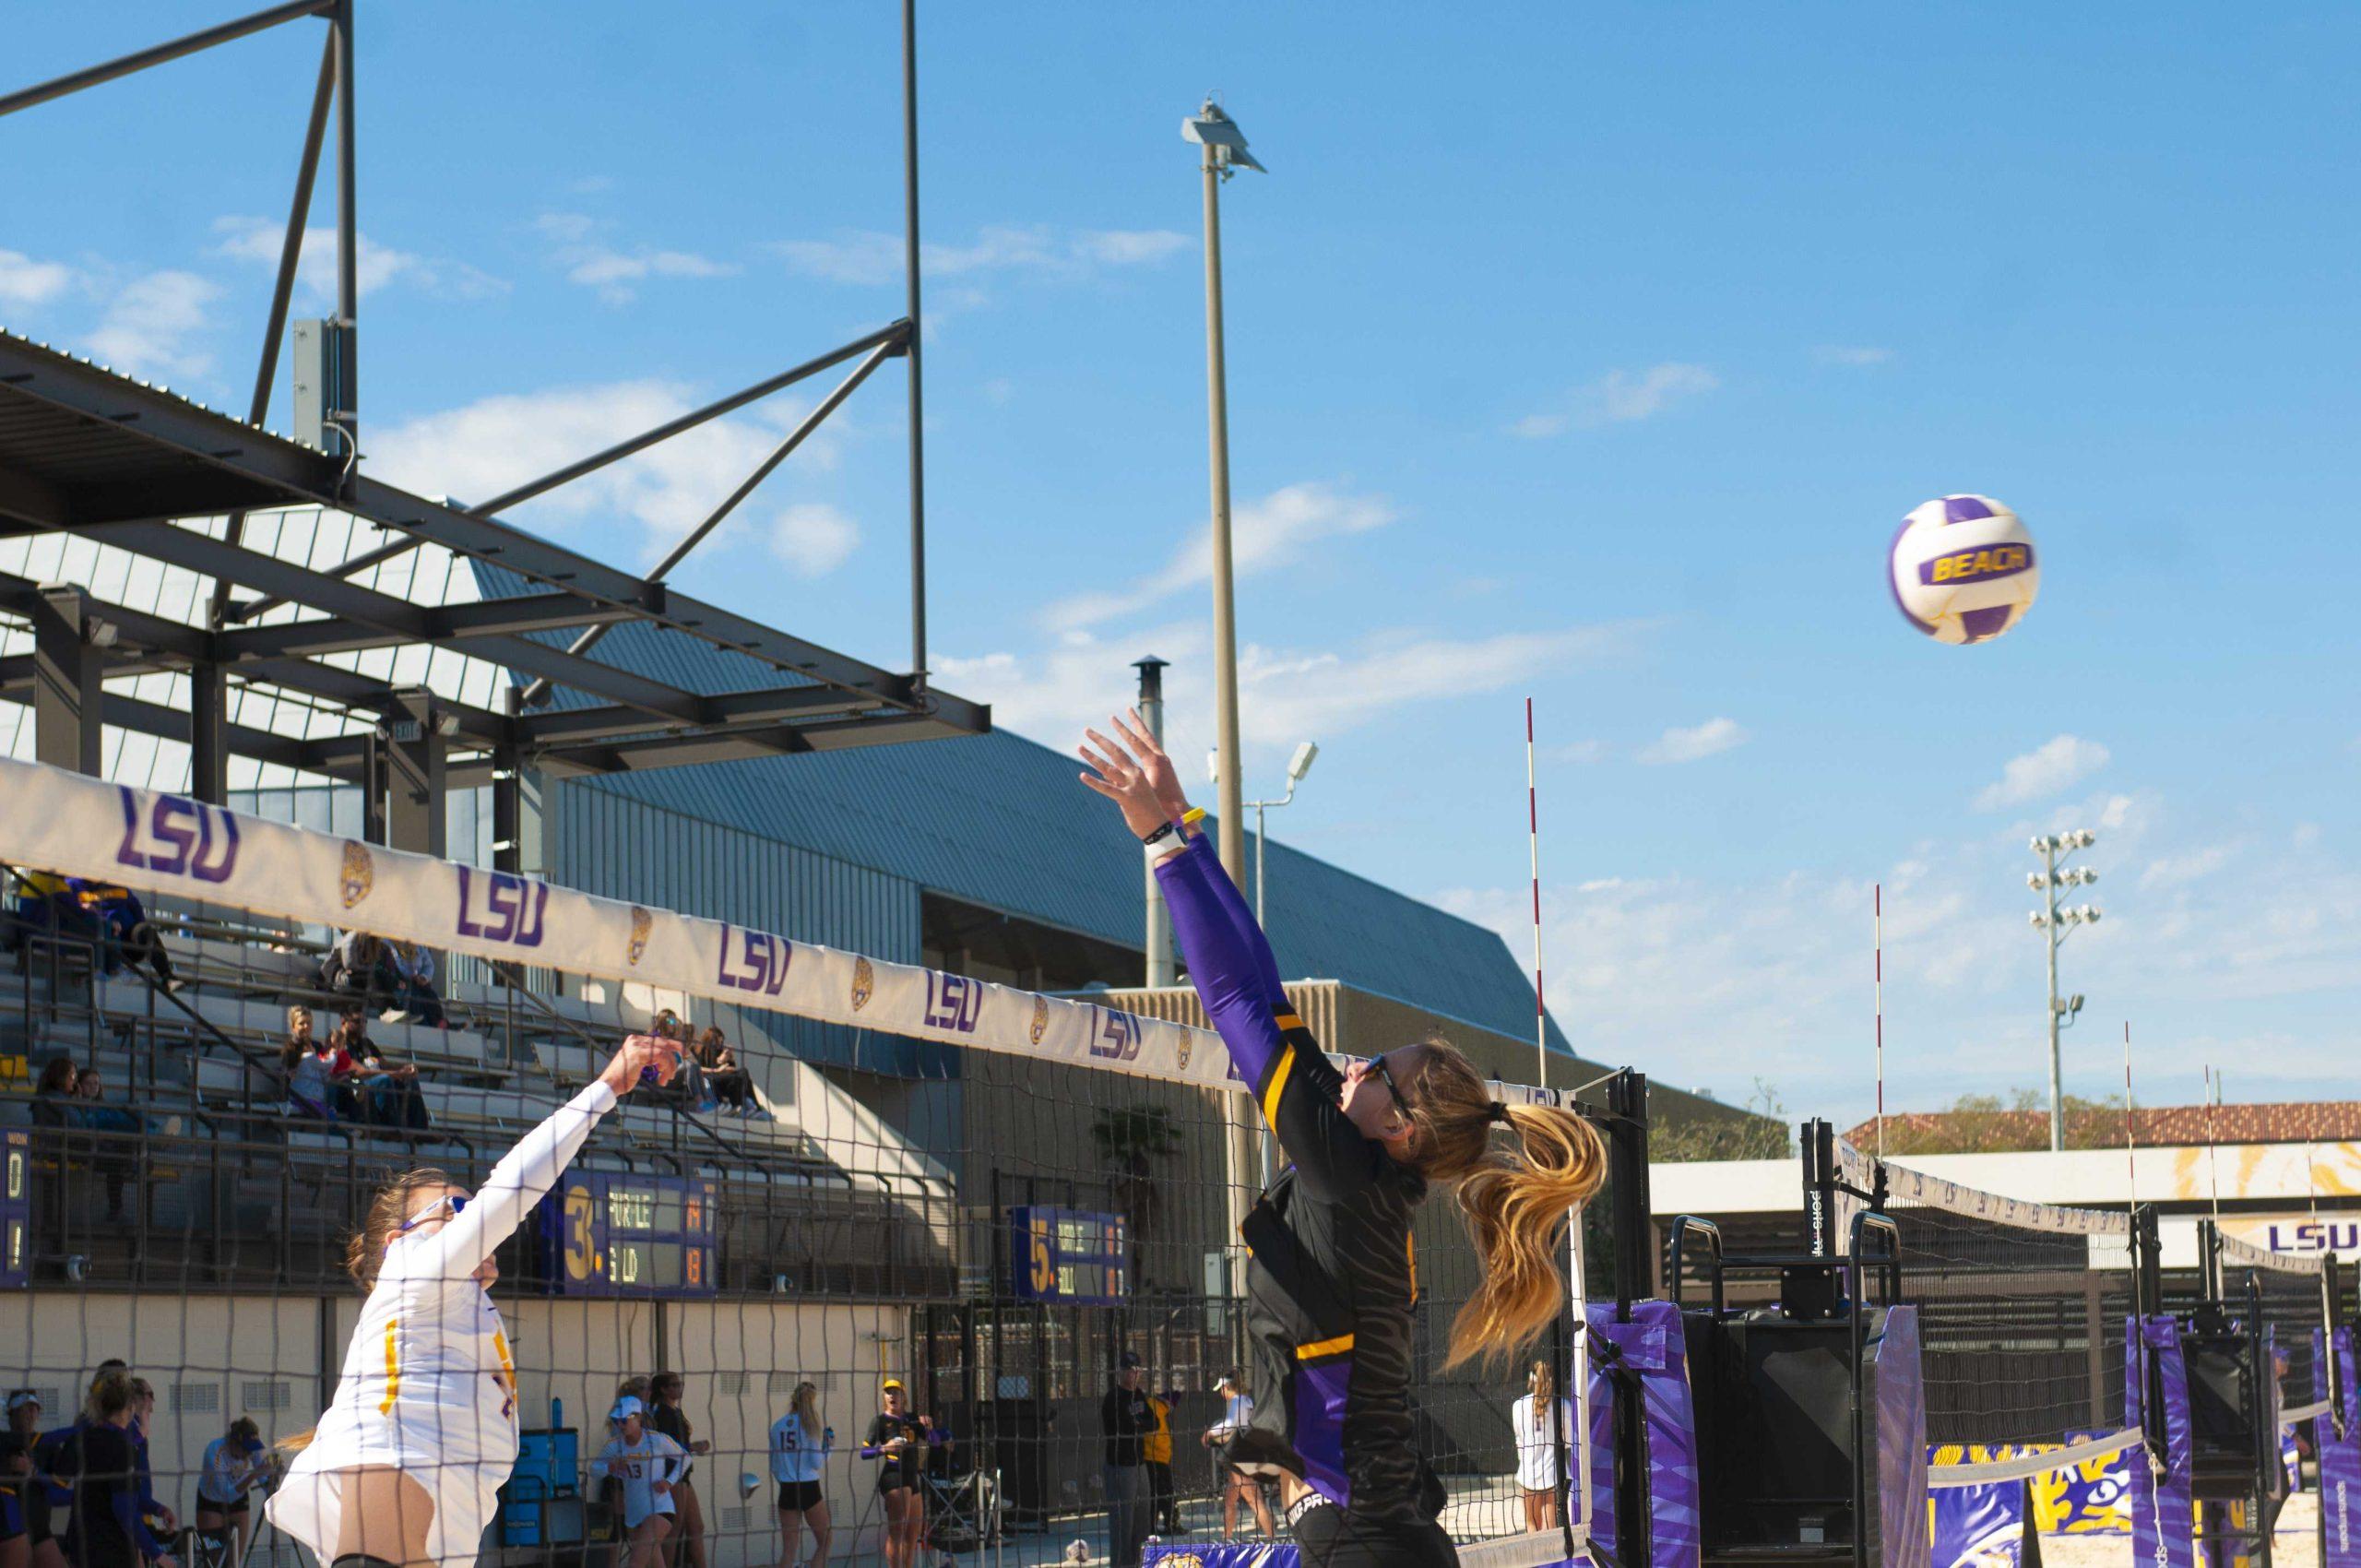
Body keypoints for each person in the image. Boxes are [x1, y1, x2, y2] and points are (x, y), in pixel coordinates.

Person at [1080, 711, 1607, 1568]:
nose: (1354, 1066)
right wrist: (1185, 825)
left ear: (1401, 1127)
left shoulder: (1344, 1175)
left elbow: (1230, 1003)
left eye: (1377, 1071)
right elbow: (1263, 984)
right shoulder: (1360, 1161)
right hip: (1384, 1533)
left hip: (1362, 1539)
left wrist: (1159, 848)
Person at [266, 1031, 682, 1568]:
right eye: (452, 1211)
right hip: (389, 1468)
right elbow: (510, 1191)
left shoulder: (467, 1313)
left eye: (470, 1209)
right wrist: (606, 1088)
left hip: (444, 1523)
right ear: (400, 1240)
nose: (471, 1222)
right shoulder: (407, 1270)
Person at [59, 1372, 174, 1568]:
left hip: (90, 1542)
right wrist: (158, 1554)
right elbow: (124, 1509)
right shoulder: (121, 1444)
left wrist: (159, 1509)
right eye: (149, 1395)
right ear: (130, 1406)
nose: (151, 1403)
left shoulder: (95, 1438)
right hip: (107, 1545)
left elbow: (132, 1496)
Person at [598, 1397, 684, 1568]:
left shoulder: (656, 1439)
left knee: (636, 1561)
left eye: (624, 1420)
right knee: (655, 1561)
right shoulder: (617, 1444)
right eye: (617, 1420)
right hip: (635, 1512)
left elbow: (684, 1458)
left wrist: (669, 1481)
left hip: (660, 1509)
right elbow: (595, 1470)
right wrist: (611, 1468)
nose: (620, 1425)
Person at [861, 1383, 931, 1568]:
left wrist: (929, 1427)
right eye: (888, 1393)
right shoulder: (880, 1421)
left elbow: (934, 1441)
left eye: (896, 1392)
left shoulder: (912, 1418)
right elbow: (864, 1453)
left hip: (912, 1477)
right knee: (897, 1532)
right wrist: (885, 1448)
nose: (892, 1396)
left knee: (912, 1534)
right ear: (883, 1397)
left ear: (903, 1396)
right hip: (893, 1476)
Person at [646, 1376, 709, 1568]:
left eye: (680, 1384)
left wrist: (693, 1445)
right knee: (674, 1528)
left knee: (696, 1527)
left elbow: (679, 1445)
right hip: (673, 1475)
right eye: (674, 1385)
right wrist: (690, 1447)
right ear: (663, 1389)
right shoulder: (662, 1414)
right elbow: (668, 1447)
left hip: (684, 1474)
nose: (679, 1388)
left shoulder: (676, 1411)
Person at [768, 1383, 832, 1568]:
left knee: (789, 1550)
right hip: (808, 1487)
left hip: (787, 1488)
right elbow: (816, 1463)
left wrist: (786, 1479)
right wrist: (829, 1446)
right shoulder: (809, 1425)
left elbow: (774, 1465)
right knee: (825, 1540)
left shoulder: (777, 1426)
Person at [1203, 1372, 1272, 1542]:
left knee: (1254, 1499)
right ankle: (1227, 1538)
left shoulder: (1237, 1401)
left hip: (1241, 1454)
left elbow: (1232, 1424)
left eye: (1221, 1389)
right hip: (1243, 1452)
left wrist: (1210, 1432)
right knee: (1230, 1499)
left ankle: (1273, 1539)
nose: (1221, 1393)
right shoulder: (1246, 1400)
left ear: (1227, 1387)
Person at [1099, 1354, 1152, 1568]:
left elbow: (1152, 1422)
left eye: (1137, 1369)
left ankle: (1140, 1564)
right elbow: (1122, 1428)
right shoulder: (1113, 1398)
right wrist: (1139, 1424)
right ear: (1120, 1371)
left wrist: (1137, 1423)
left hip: (1140, 1465)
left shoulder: (1139, 1394)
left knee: (1142, 1524)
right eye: (1130, 1369)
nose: (1134, 1373)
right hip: (1120, 1467)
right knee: (1123, 1525)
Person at [193, 1419, 266, 1568]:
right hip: (212, 1501)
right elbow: (227, 1494)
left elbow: (263, 1476)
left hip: (239, 1498)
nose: (249, 1454)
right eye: (246, 1450)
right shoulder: (215, 1451)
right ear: (235, 1443)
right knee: (214, 1563)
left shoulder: (253, 1448)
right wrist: (254, 1474)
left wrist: (272, 1480)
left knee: (234, 1562)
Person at [1510, 1363, 1573, 1533]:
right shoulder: (1562, 1405)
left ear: (1531, 1380)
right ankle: (1552, 1561)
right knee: (1551, 1529)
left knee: (1532, 1526)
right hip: (1553, 1472)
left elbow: (1520, 1439)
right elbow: (1569, 1440)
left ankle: (1536, 1561)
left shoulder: (1518, 1406)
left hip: (1528, 1472)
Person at [3, 1390, 42, 1568]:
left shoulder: (47, 1447)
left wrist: (34, 1473)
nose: (29, 1413)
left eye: (33, 1409)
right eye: (24, 1409)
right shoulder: (3, 1443)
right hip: (8, 1533)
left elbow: (63, 1491)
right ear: (12, 1414)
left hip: (40, 1534)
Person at [692, 1028, 756, 1118]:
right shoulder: (701, 1050)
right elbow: (704, 1068)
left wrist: (730, 1059)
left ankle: (751, 1103)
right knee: (736, 1079)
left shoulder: (719, 1050)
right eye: (718, 1041)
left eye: (721, 1041)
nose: (719, 1044)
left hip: (721, 1075)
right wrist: (720, 1062)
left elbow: (731, 1067)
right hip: (710, 1077)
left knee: (743, 1072)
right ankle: (743, 1104)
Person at [1144, 1389, 1178, 1538]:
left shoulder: (1154, 1407)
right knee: (1166, 1493)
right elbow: (1156, 1435)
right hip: (1156, 1458)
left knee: (1154, 1494)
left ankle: (1152, 1526)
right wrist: (1165, 1452)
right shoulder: (1156, 1408)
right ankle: (1170, 1525)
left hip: (1152, 1457)